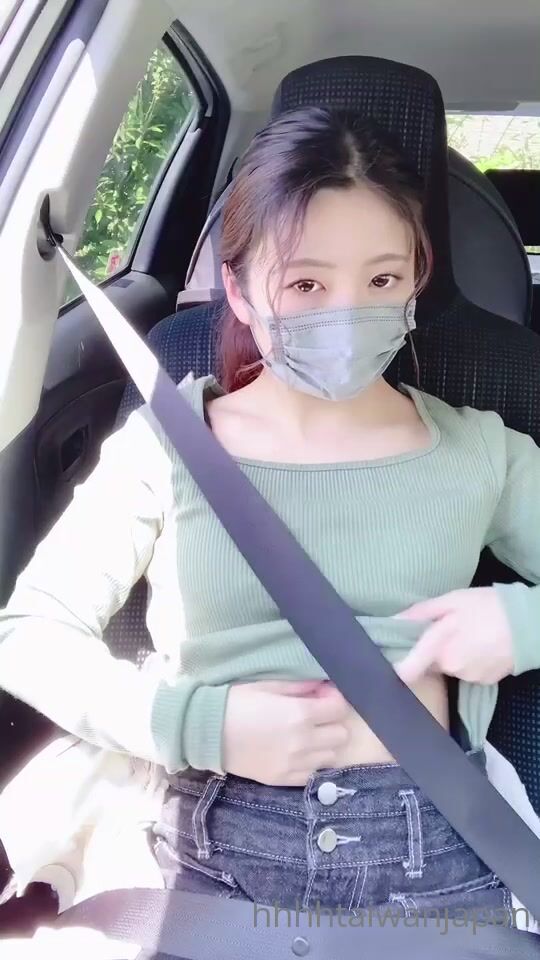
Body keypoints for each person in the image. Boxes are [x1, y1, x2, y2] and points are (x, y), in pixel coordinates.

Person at [1, 105, 539, 939]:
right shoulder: (168, 447)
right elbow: (30, 634)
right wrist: (201, 726)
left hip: (430, 845)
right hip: (210, 842)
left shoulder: (481, 453)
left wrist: (522, 622)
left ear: (417, 281)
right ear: (241, 289)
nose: (346, 313)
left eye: (383, 281)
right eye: (306, 284)